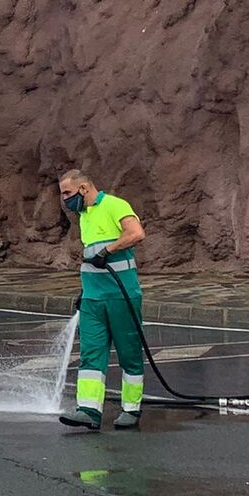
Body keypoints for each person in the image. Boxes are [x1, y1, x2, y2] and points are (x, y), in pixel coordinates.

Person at [58, 168, 147, 431]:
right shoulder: (84, 215)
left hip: (121, 296)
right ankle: (88, 410)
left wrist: (109, 249)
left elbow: (136, 233)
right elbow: (91, 258)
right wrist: (85, 291)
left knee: (129, 353)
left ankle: (131, 409)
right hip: (93, 299)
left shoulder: (114, 205)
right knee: (90, 354)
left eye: (67, 193)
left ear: (84, 188)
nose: (64, 199)